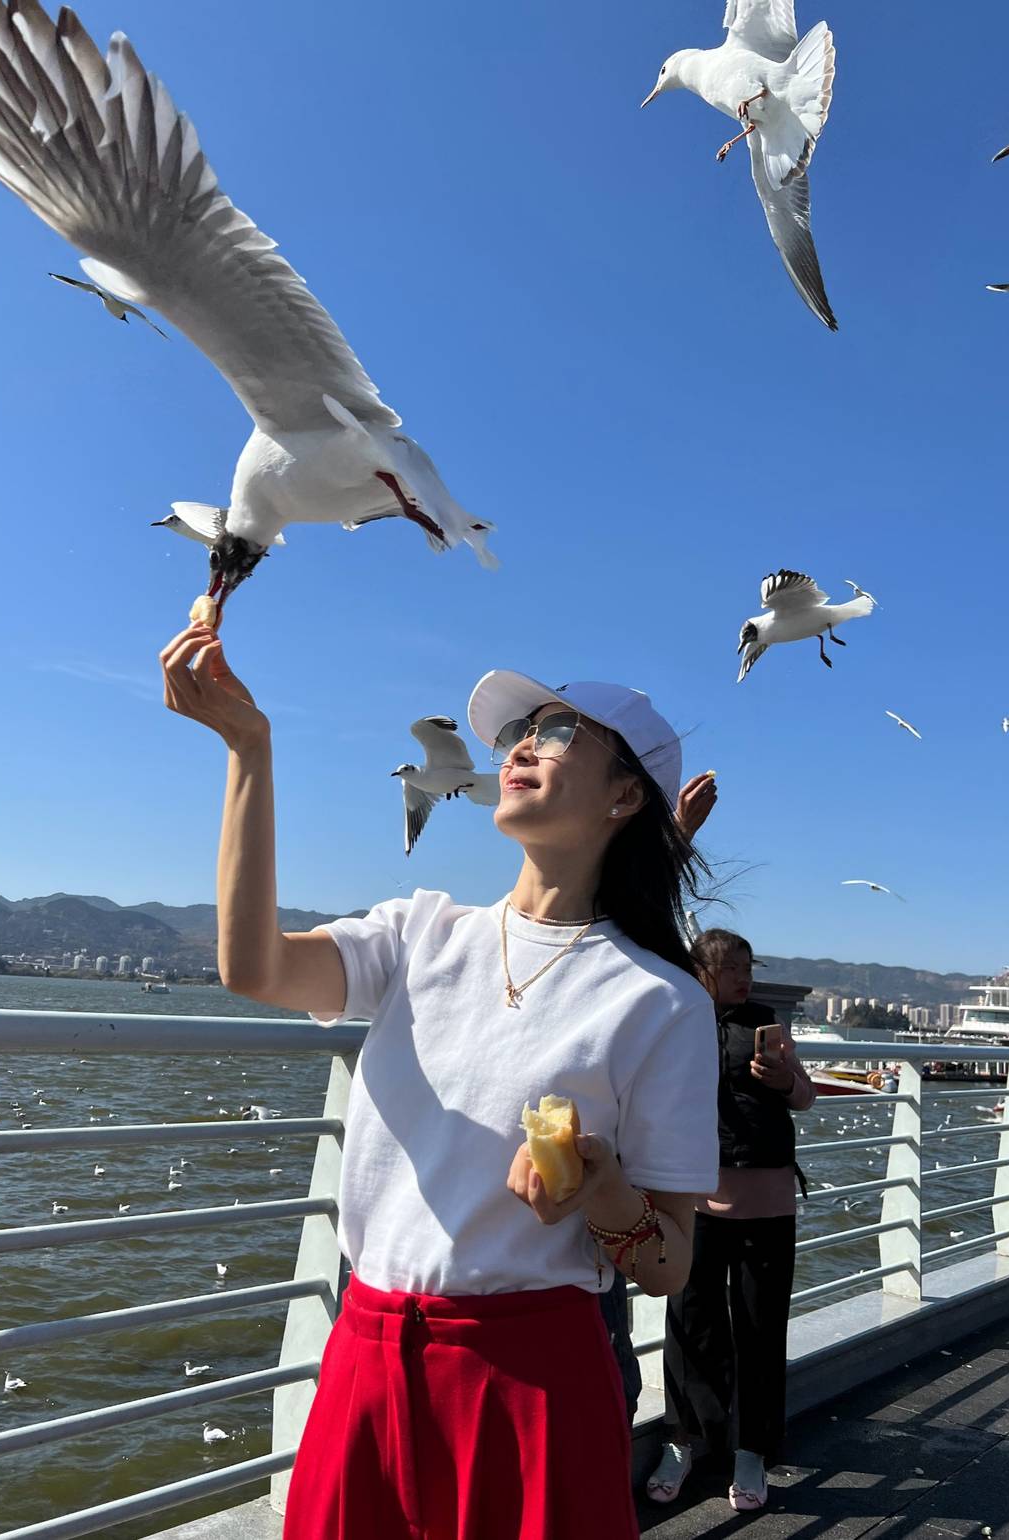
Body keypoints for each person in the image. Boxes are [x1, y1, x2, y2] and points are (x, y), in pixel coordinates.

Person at [160, 623, 720, 1540]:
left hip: (533, 1379)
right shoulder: (420, 932)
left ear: (628, 796)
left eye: (562, 732)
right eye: (520, 732)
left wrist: (598, 1184)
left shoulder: (661, 1001)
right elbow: (253, 967)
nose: (524, 746)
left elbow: (667, 1263)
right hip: (369, 1357)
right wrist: (248, 751)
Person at [647, 928, 815, 1513]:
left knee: (760, 1325)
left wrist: (784, 1079)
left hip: (767, 1196)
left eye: (749, 964)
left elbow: (806, 1096)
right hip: (692, 1197)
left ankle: (752, 1451)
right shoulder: (674, 1016)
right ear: (701, 972)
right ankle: (684, 1440)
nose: (745, 976)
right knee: (690, 1321)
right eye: (732, 967)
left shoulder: (766, 1021)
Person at [597, 771, 720, 1425]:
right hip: (569, 1255)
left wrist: (675, 836)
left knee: (605, 1362)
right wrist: (674, 836)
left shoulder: (660, 996)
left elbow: (619, 922)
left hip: (593, 1235)